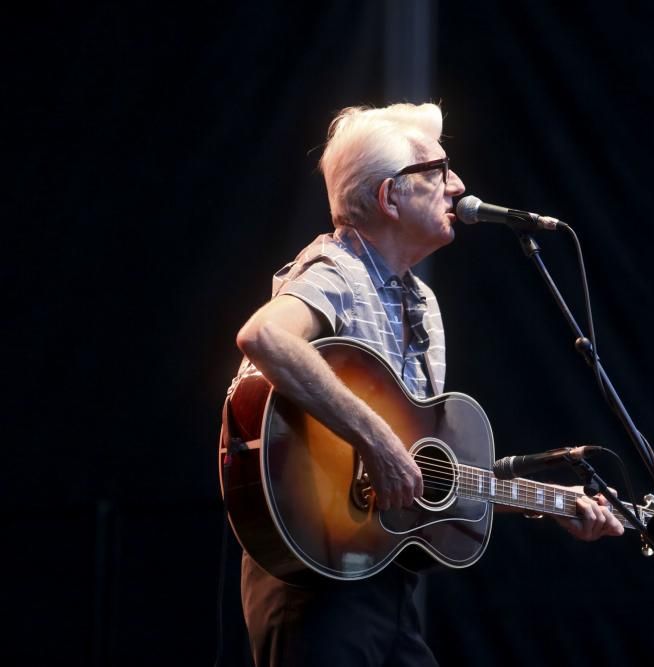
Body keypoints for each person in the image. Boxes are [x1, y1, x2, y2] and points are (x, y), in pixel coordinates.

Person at [232, 102, 623, 666]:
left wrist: (550, 502)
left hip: (384, 583)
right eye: (438, 171)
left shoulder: (422, 304)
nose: (458, 185)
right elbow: (265, 337)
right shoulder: (335, 271)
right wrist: (377, 439)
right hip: (314, 579)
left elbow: (420, 475)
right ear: (390, 196)